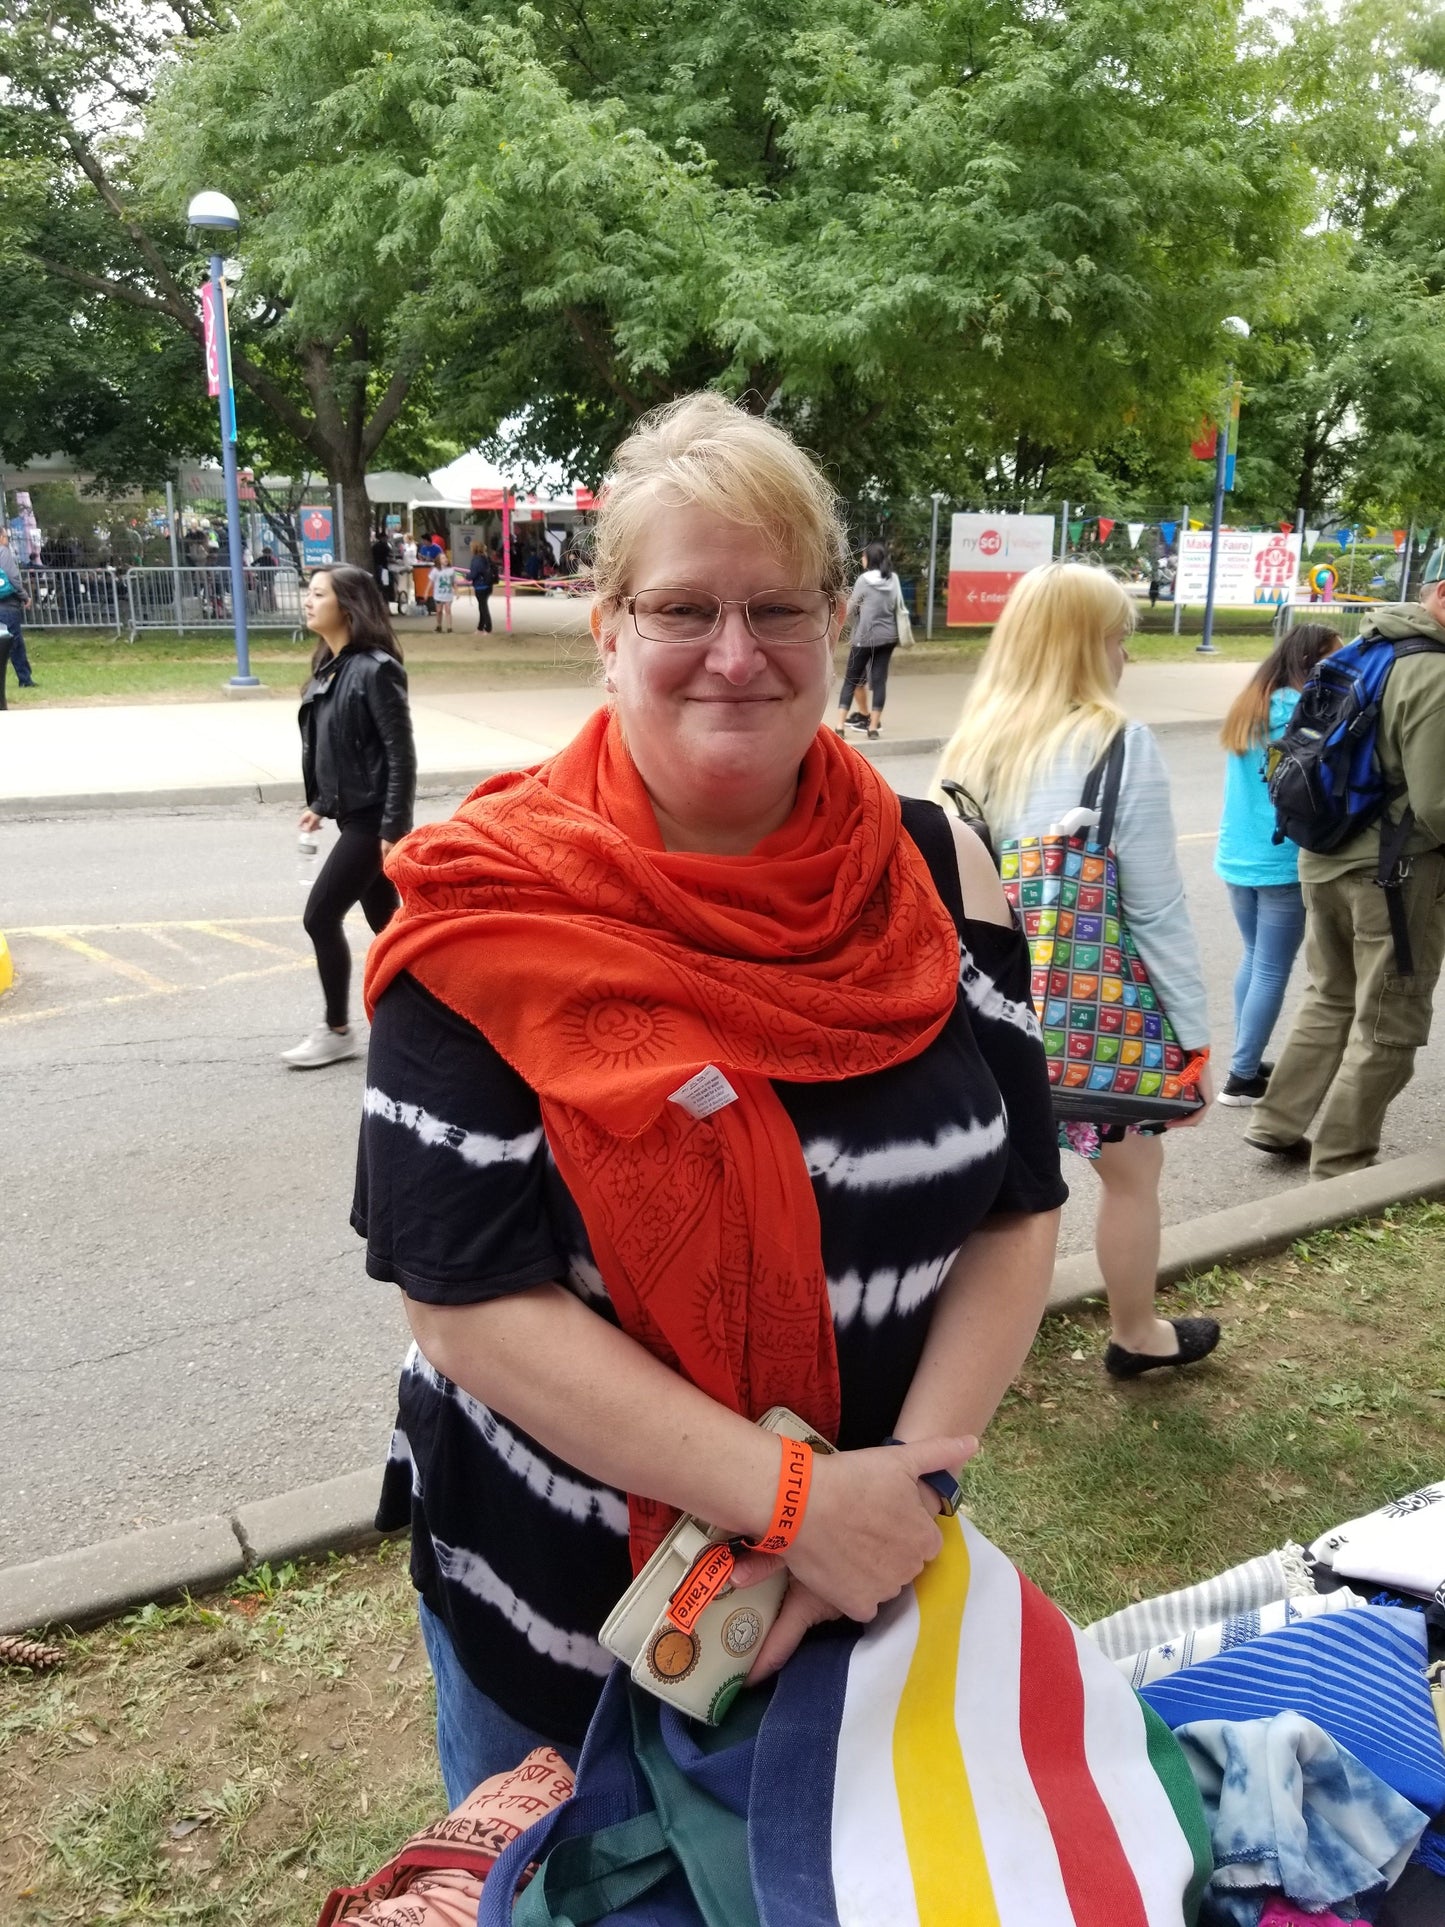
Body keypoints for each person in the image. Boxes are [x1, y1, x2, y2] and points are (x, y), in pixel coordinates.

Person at [354, 391, 1066, 1803]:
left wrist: (896, 1500)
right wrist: (793, 1500)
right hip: (563, 1632)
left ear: (832, 620)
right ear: (608, 627)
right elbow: (465, 1298)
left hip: (859, 1582)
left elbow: (1015, 1204)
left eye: (779, 608)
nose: (735, 657)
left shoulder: (937, 867)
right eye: (684, 608)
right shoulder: (488, 899)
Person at [934, 561, 1218, 1379]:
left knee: (996, 1190)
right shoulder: (1118, 744)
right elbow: (1156, 909)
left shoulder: (973, 745)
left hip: (982, 1016)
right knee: (1133, 1171)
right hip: (1088, 1023)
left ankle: (962, 1357)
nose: (1124, 653)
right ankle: (1137, 1332)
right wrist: (1191, 1043)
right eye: (1116, 636)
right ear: (1082, 646)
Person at [1247, 580, 1445, 1176]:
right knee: (1390, 1018)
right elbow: (1437, 803)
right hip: (1393, 873)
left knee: (1329, 996)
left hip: (1323, 857)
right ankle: (1341, 1167)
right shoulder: (1433, 673)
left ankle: (1277, 1123)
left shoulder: (1363, 648)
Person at [284, 565, 416, 1070]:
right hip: (350, 816)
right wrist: (320, 804)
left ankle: (337, 1029)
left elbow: (399, 754)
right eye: (309, 593)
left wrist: (392, 831)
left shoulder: (375, 668)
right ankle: (428, 1014)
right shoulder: (330, 665)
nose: (308, 600)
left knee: (319, 917)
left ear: (348, 605)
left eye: (319, 594)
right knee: (390, 927)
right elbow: (336, 747)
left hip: (371, 823)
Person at [1214, 624, 1339, 1106]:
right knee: (1270, 968)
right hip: (1281, 857)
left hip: (1236, 855)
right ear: (1311, 662)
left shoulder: (1251, 705)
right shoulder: (1303, 710)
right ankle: (1241, 1076)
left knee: (1253, 957)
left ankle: (1244, 1061)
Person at [834, 542, 905, 739]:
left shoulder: (864, 580)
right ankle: (872, 728)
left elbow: (850, 607)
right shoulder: (894, 579)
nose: (861, 559)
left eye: (863, 556)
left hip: (864, 638)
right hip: (888, 637)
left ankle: (840, 727)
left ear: (870, 559)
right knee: (880, 681)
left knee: (851, 679)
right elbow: (895, 604)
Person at [0, 531, 35, 698]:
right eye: (6, 536)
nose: (7, 540)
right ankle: (24, 678)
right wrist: (24, 596)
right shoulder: (3, 552)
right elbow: (12, 578)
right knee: (14, 644)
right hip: (7, 605)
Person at [467, 538, 496, 633]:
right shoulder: (486, 558)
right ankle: (480, 627)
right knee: (482, 606)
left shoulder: (476, 559)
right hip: (488, 585)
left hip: (481, 586)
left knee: (483, 607)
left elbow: (474, 574)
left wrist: (468, 576)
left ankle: (488, 628)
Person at [431, 555, 455, 632]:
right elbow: (431, 582)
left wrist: (457, 592)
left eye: (446, 558)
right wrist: (426, 592)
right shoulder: (435, 570)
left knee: (448, 610)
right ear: (439, 561)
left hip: (448, 594)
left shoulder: (451, 570)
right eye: (443, 558)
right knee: (439, 611)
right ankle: (439, 625)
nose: (445, 559)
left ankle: (449, 627)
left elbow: (453, 582)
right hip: (438, 594)